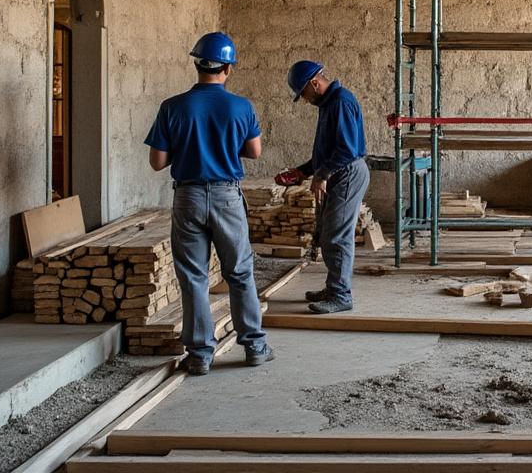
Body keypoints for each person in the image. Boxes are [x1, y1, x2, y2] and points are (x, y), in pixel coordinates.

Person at [145, 32, 273, 376]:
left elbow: (158, 162)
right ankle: (254, 345)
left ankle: (200, 353)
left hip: (187, 196)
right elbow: (254, 151)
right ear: (228, 68)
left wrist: (187, 146)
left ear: (197, 63)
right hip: (227, 196)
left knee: (193, 276)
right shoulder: (241, 107)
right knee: (239, 272)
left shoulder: (172, 107)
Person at [275, 59, 370, 314]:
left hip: (347, 173)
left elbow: (347, 151)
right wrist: (303, 171)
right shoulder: (329, 104)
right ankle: (333, 287)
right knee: (329, 231)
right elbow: (327, 152)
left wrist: (321, 176)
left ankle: (341, 295)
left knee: (336, 236)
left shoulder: (340, 102)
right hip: (339, 171)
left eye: (303, 93)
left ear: (314, 84)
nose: (304, 99)